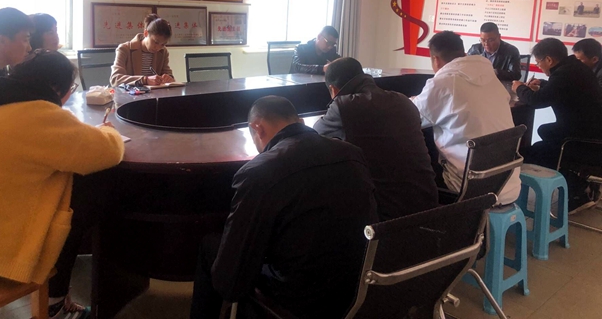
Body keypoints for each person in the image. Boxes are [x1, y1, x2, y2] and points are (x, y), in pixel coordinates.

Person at [0, 50, 125, 319]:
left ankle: (60, 297)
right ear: (56, 89)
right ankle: (55, 303)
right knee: (85, 190)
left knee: (61, 179)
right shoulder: (41, 115)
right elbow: (108, 152)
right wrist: (108, 131)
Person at [190, 96, 377, 319]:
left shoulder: (259, 172)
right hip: (357, 289)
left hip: (300, 301)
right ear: (300, 121)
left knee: (210, 248)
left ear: (257, 128)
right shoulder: (352, 153)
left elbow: (230, 284)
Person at [314, 57, 438, 220]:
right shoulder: (403, 101)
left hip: (386, 217)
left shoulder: (343, 106)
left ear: (333, 89)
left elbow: (316, 135)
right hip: (429, 207)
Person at [413, 31, 521, 204]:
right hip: (507, 183)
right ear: (463, 54)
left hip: (470, 189)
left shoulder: (443, 82)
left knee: (413, 169)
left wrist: (412, 100)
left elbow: (411, 117)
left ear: (435, 60)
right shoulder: (490, 76)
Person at [512, 38, 602, 211]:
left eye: (539, 62)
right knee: (544, 132)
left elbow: (537, 101)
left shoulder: (564, 74)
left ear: (549, 60)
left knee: (530, 153)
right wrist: (544, 84)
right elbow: (563, 89)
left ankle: (578, 191)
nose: (539, 66)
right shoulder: (575, 67)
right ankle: (579, 184)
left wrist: (519, 88)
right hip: (590, 130)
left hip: (585, 140)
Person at [110, 13, 175, 86]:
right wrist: (144, 80)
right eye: (156, 42)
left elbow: (167, 73)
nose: (158, 48)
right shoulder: (124, 49)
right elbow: (115, 79)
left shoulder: (163, 52)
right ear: (146, 33)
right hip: (131, 93)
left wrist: (169, 78)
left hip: (155, 93)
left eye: (163, 44)